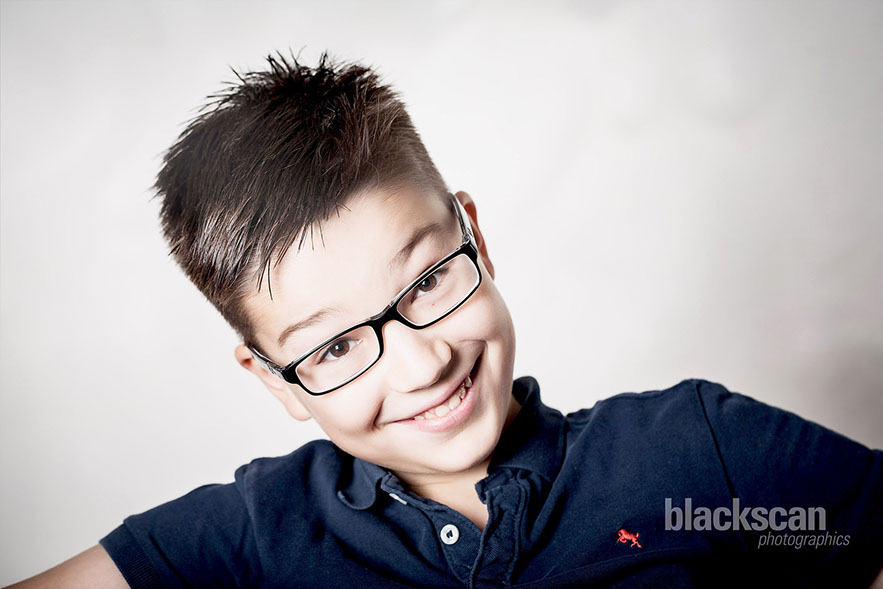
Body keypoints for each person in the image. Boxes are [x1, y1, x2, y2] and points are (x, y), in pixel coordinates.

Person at [10, 53, 883, 589]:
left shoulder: (694, 455)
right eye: (336, 346)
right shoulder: (251, 537)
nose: (422, 363)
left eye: (428, 280)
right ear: (275, 380)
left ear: (477, 238)